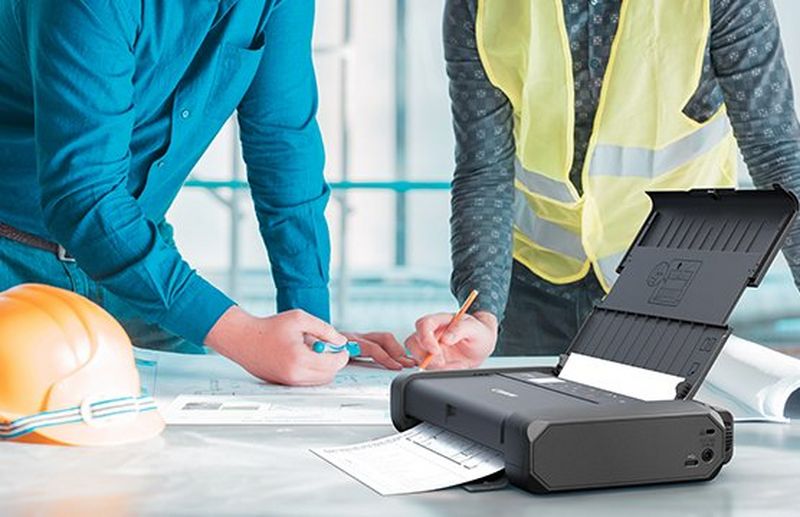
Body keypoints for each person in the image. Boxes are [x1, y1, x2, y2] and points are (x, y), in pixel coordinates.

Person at [0, 0, 412, 386]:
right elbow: (85, 197)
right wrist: (243, 335)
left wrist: (314, 335)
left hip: (143, 267)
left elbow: (283, 146)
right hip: (11, 263)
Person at [407, 0, 800, 369]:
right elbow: (484, 168)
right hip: (533, 285)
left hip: (675, 279)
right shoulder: (481, 6)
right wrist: (482, 313)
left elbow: (777, 157)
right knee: (525, 431)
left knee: (655, 436)